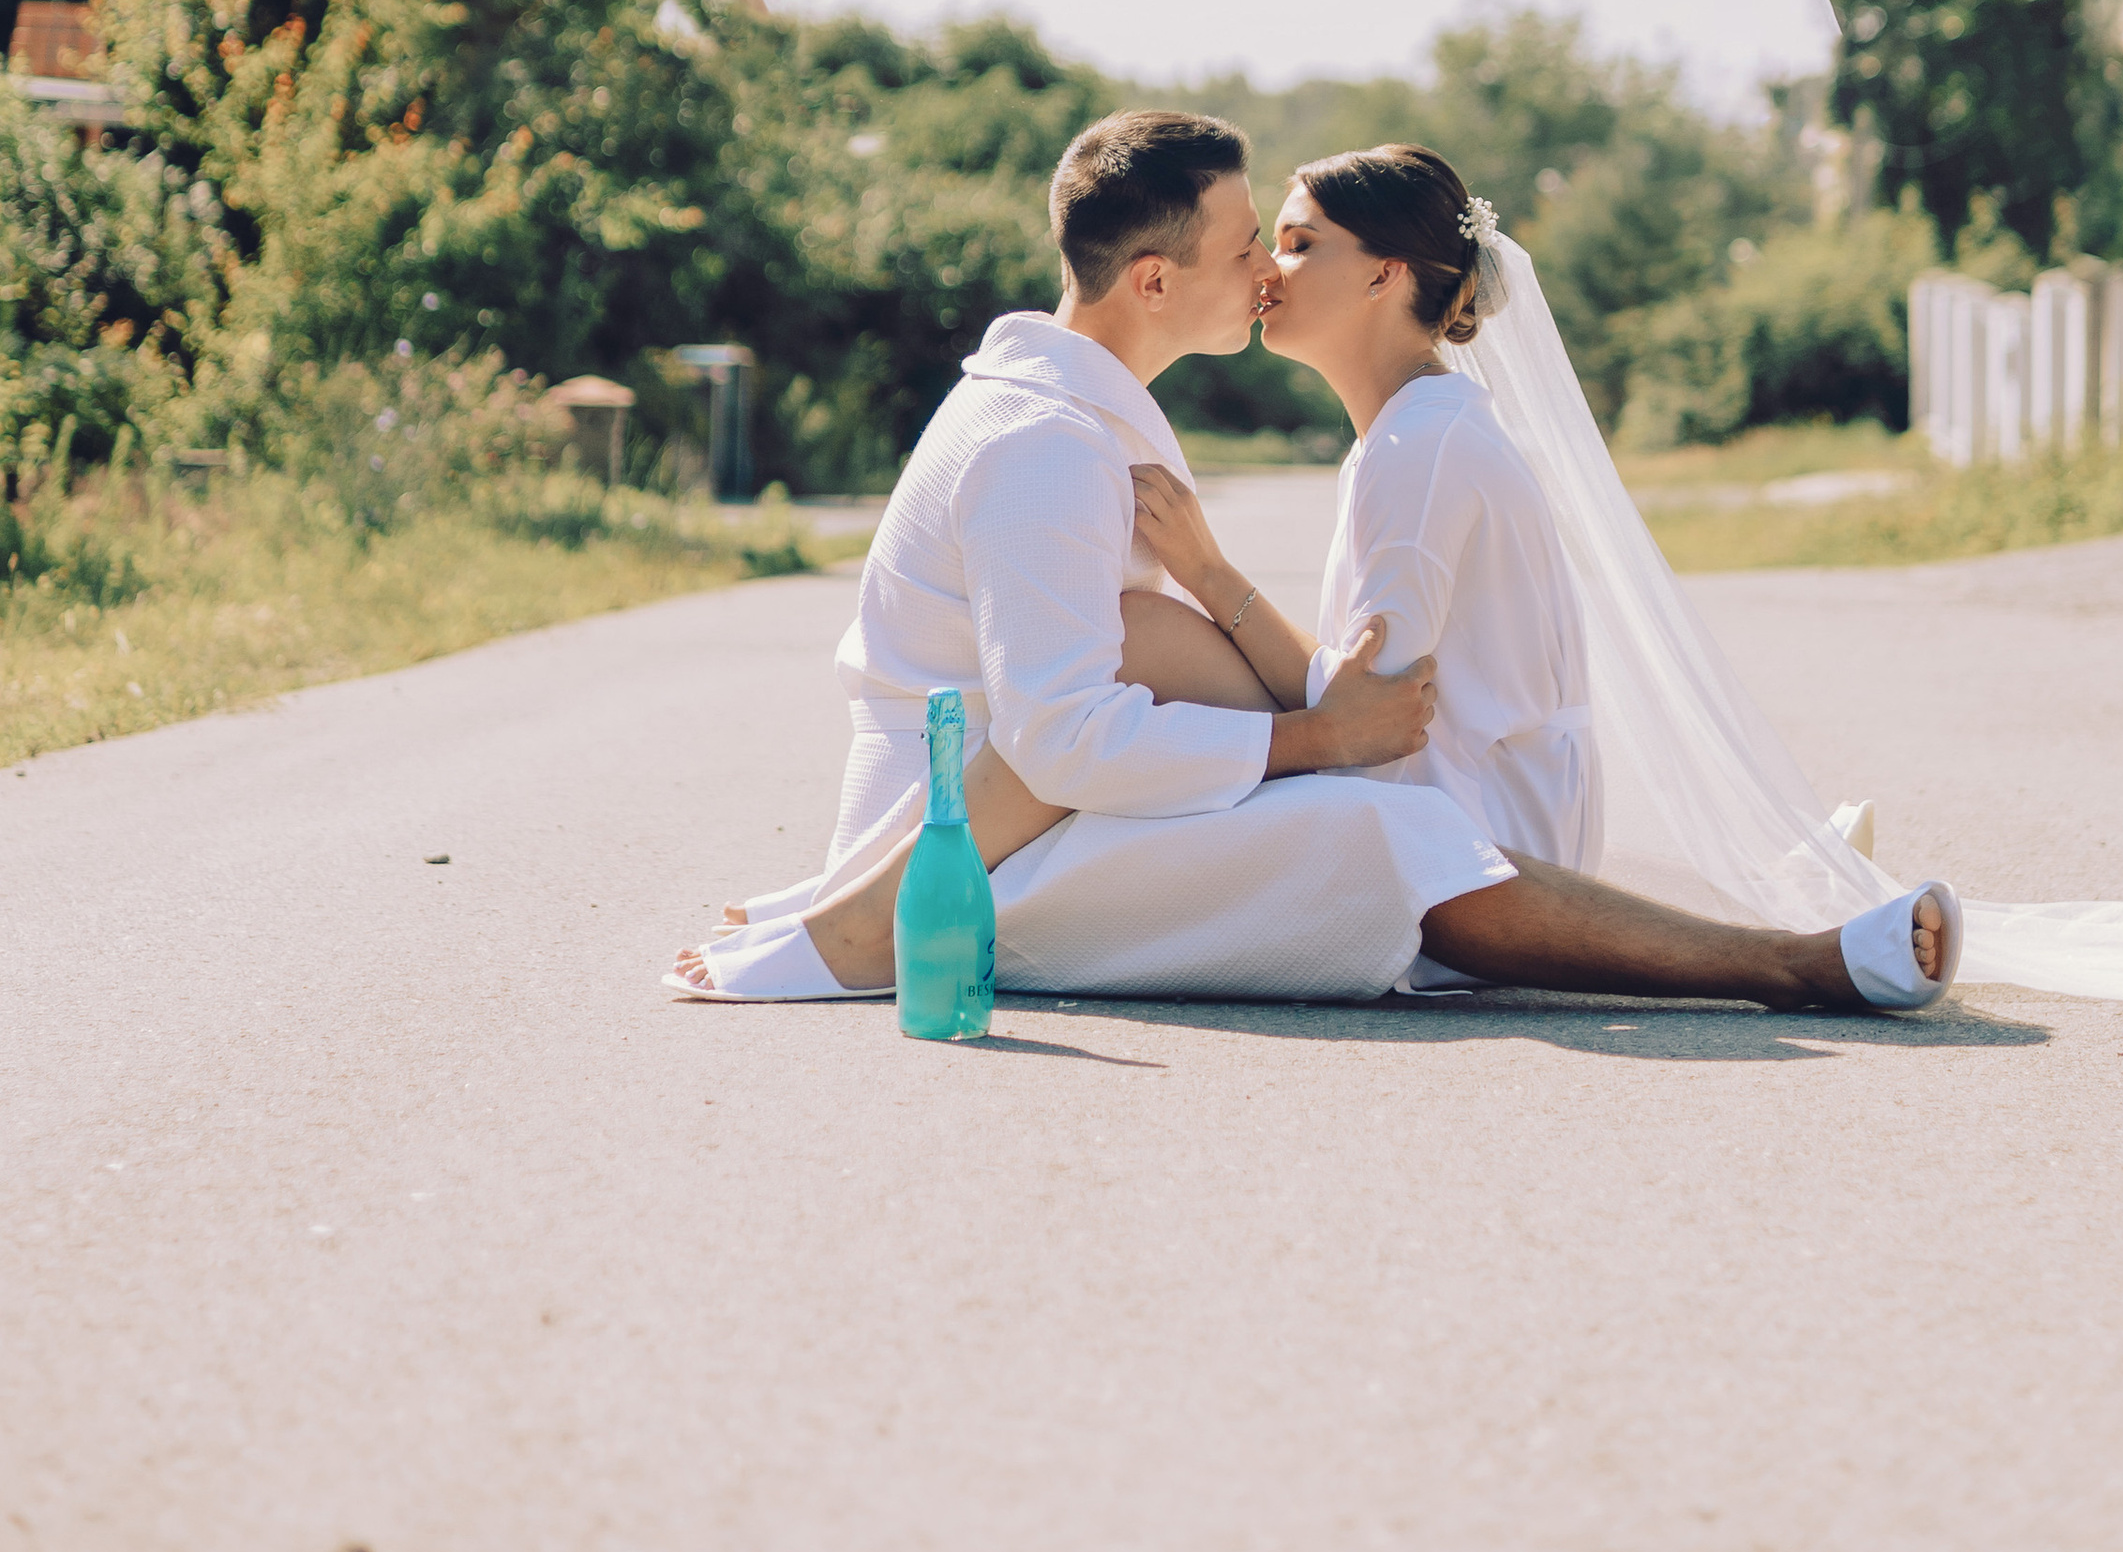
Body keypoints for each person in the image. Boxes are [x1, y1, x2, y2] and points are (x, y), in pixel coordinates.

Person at [670, 118, 1953, 1012]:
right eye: (1249, 248)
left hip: (1033, 805)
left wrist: (1261, 655)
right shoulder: (1046, 442)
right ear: (1158, 278)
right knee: (1377, 826)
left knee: (1370, 806)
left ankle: (1792, 939)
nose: (1264, 275)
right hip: (973, 847)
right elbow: (1090, 734)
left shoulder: (1101, 418)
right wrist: (1308, 741)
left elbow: (1332, 708)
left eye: (1285, 244)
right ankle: (1796, 958)